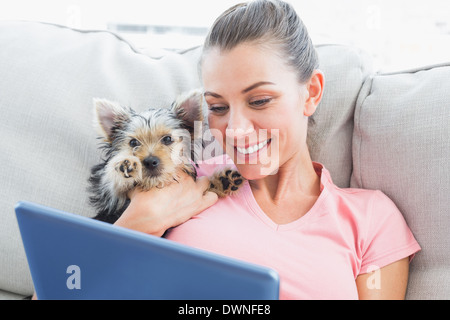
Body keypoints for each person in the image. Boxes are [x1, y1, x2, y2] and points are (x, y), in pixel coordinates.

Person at [115, 0, 420, 299]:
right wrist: (137, 224)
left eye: (259, 100)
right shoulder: (184, 181)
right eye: (218, 107)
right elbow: (82, 282)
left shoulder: (371, 219)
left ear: (311, 93)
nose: (234, 129)